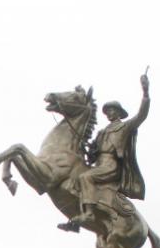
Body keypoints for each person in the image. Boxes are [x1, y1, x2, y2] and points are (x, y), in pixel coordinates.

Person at [59, 72, 150, 233]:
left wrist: (145, 92)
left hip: (111, 166)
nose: (109, 113)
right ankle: (76, 219)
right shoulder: (102, 132)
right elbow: (93, 152)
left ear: (119, 113)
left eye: (112, 110)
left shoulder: (124, 127)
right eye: (107, 111)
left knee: (85, 177)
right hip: (100, 163)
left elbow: (141, 116)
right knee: (75, 176)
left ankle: (88, 214)